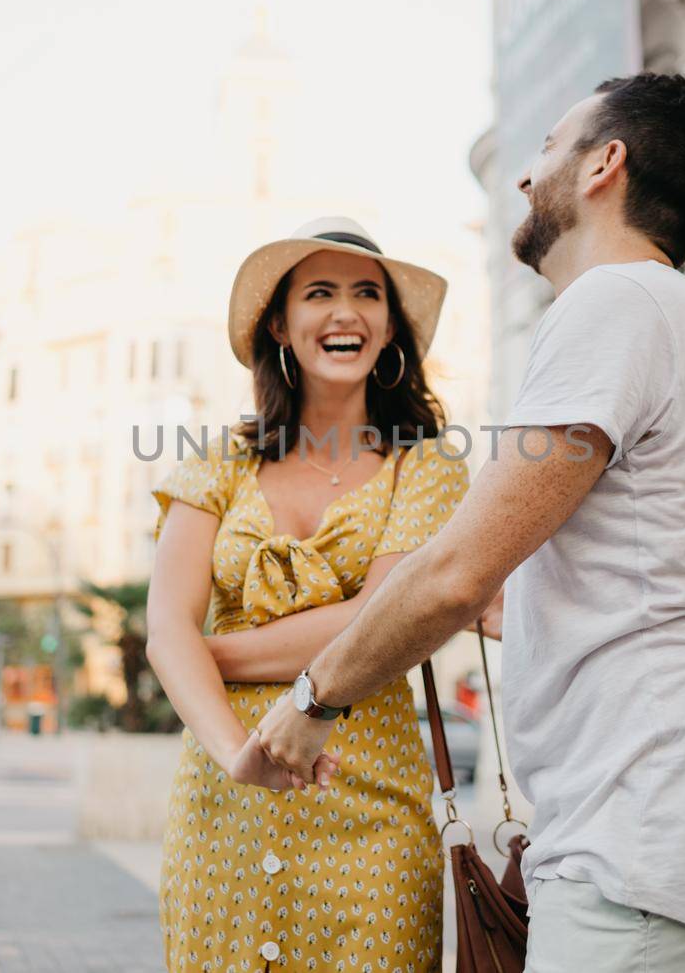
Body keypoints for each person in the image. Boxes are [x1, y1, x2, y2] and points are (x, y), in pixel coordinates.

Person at [247, 75, 685, 970]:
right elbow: (585, 573)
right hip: (670, 824)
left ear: (603, 165)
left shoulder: (613, 301)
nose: (524, 176)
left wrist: (314, 697)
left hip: (646, 833)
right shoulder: (673, 314)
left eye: (547, 147)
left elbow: (455, 569)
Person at [145, 217, 473, 971]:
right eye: (319, 293)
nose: (344, 312)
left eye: (366, 294)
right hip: (219, 818)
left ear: (390, 327)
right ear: (280, 324)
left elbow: (383, 619)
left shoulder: (425, 467)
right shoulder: (219, 460)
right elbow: (164, 626)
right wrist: (236, 754)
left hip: (372, 821)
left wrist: (209, 654)